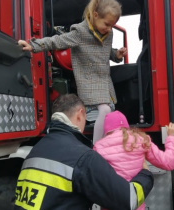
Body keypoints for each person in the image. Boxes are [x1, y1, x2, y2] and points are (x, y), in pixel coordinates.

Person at [14, 94, 154, 210]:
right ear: (80, 114)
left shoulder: (35, 152)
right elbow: (129, 200)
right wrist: (145, 174)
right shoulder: (83, 157)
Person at [18, 0, 127, 143]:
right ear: (95, 15)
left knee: (108, 113)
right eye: (107, 24)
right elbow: (57, 41)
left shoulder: (108, 33)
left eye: (112, 25)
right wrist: (34, 45)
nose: (109, 28)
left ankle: (107, 144)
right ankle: (98, 148)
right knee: (105, 110)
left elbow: (104, 52)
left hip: (104, 82)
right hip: (88, 81)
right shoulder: (80, 32)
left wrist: (116, 55)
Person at [93, 110, 174, 210]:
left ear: (106, 129)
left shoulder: (99, 147)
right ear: (126, 125)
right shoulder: (140, 140)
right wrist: (172, 138)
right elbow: (169, 162)